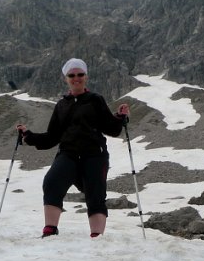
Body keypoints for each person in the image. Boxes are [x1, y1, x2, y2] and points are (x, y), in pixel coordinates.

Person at [16, 58, 130, 238]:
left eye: (80, 74)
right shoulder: (62, 105)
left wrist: (120, 117)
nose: (76, 78)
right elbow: (52, 137)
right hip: (68, 154)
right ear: (66, 78)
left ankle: (96, 236)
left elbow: (112, 129)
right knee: (52, 181)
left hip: (94, 155)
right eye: (72, 75)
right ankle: (50, 229)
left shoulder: (96, 100)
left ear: (86, 77)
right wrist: (28, 136)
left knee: (95, 193)